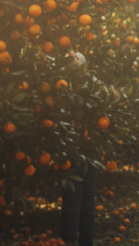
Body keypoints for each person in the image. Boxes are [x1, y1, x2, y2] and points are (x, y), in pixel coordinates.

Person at [60, 52, 102, 246]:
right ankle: (77, 240)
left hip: (81, 148)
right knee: (78, 197)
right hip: (78, 147)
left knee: (79, 197)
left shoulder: (84, 86)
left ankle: (79, 240)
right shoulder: (67, 85)